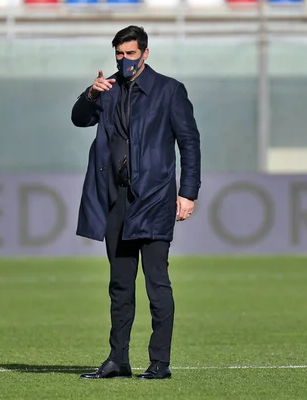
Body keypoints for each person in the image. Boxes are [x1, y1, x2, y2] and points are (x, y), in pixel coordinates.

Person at [70, 25, 201, 380]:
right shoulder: (107, 90)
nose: (124, 60)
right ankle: (118, 360)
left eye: (130, 53)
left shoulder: (169, 90)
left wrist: (188, 192)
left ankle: (159, 362)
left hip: (156, 198)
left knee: (157, 282)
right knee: (119, 285)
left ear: (145, 53)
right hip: (116, 199)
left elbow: (189, 143)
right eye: (118, 54)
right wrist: (90, 94)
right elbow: (79, 119)